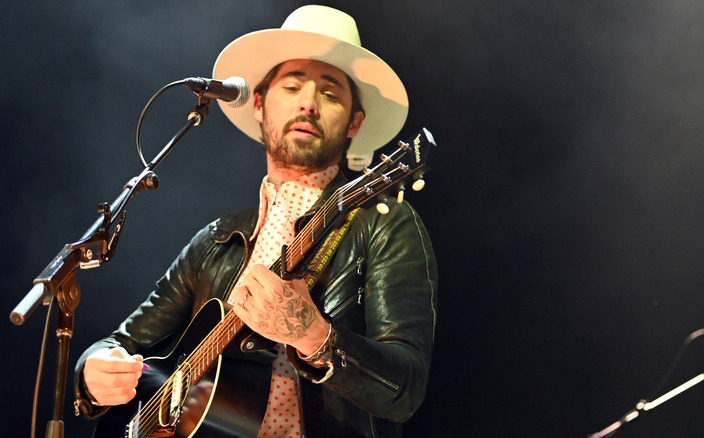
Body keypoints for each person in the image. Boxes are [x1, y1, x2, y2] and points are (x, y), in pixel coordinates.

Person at [73, 5, 438, 438]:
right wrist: (91, 371)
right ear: (260, 105)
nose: (308, 103)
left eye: (330, 93)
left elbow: (406, 388)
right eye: (292, 86)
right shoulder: (214, 241)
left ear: (354, 123)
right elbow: (123, 343)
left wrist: (316, 337)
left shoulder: (383, 224)